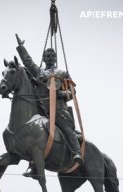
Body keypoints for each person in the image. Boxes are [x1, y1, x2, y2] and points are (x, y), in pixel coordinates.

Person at [15, 34, 83, 168]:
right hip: (41, 109)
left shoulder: (63, 74)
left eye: (53, 56)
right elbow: (28, 62)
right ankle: (33, 166)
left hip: (59, 109)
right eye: (48, 56)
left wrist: (62, 93)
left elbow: (72, 92)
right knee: (32, 134)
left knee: (66, 128)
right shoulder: (39, 72)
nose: (50, 58)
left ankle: (76, 152)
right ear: (44, 58)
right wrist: (21, 47)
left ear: (55, 58)